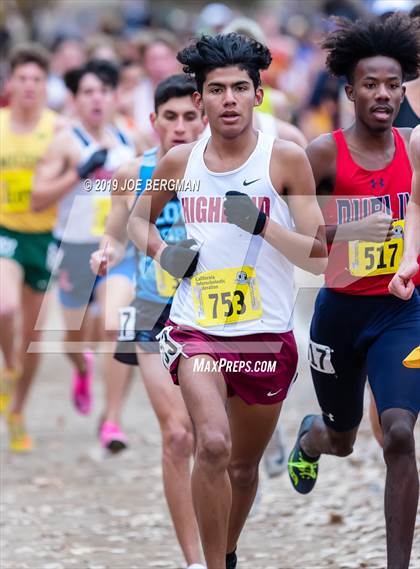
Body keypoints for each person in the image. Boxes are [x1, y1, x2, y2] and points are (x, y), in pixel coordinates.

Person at [128, 33, 326, 569]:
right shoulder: (179, 162)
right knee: (211, 444)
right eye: (217, 89)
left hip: (265, 334)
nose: (230, 99)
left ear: (259, 95)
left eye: (241, 87)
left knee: (242, 467)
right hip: (198, 329)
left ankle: (228, 550)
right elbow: (137, 221)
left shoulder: (285, 160)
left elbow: (317, 255)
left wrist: (261, 224)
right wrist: (167, 254)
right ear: (200, 100)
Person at [287, 14, 420, 569]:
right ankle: (310, 438)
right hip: (339, 313)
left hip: (401, 312)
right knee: (342, 437)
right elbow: (301, 242)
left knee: (398, 435)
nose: (383, 93)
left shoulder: (416, 148)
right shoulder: (322, 154)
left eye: (393, 84)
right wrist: (350, 230)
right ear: (349, 90)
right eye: (371, 83)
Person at [90, 73, 207, 569]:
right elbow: (115, 234)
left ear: (203, 120)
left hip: (211, 312)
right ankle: (195, 559)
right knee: (178, 435)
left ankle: (221, 518)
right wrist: (105, 251)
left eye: (189, 117)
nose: (179, 127)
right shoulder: (130, 173)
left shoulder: (221, 171)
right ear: (153, 121)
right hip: (150, 308)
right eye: (170, 118)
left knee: (212, 439)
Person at [32, 59, 136, 451]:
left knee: (113, 326)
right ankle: (82, 368)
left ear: (114, 97)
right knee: (73, 342)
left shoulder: (129, 141)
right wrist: (79, 172)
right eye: (88, 92)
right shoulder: (64, 140)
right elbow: (38, 198)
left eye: (104, 91)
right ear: (75, 99)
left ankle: (111, 421)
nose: (97, 99)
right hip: (73, 251)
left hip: (115, 250)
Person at [0, 43, 66, 451]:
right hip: (5, 228)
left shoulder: (58, 129)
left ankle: (18, 411)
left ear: (45, 85)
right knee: (4, 307)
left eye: (36, 79)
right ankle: (9, 370)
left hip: (45, 235)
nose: (28, 85)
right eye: (22, 78)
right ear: (11, 83)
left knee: (33, 332)